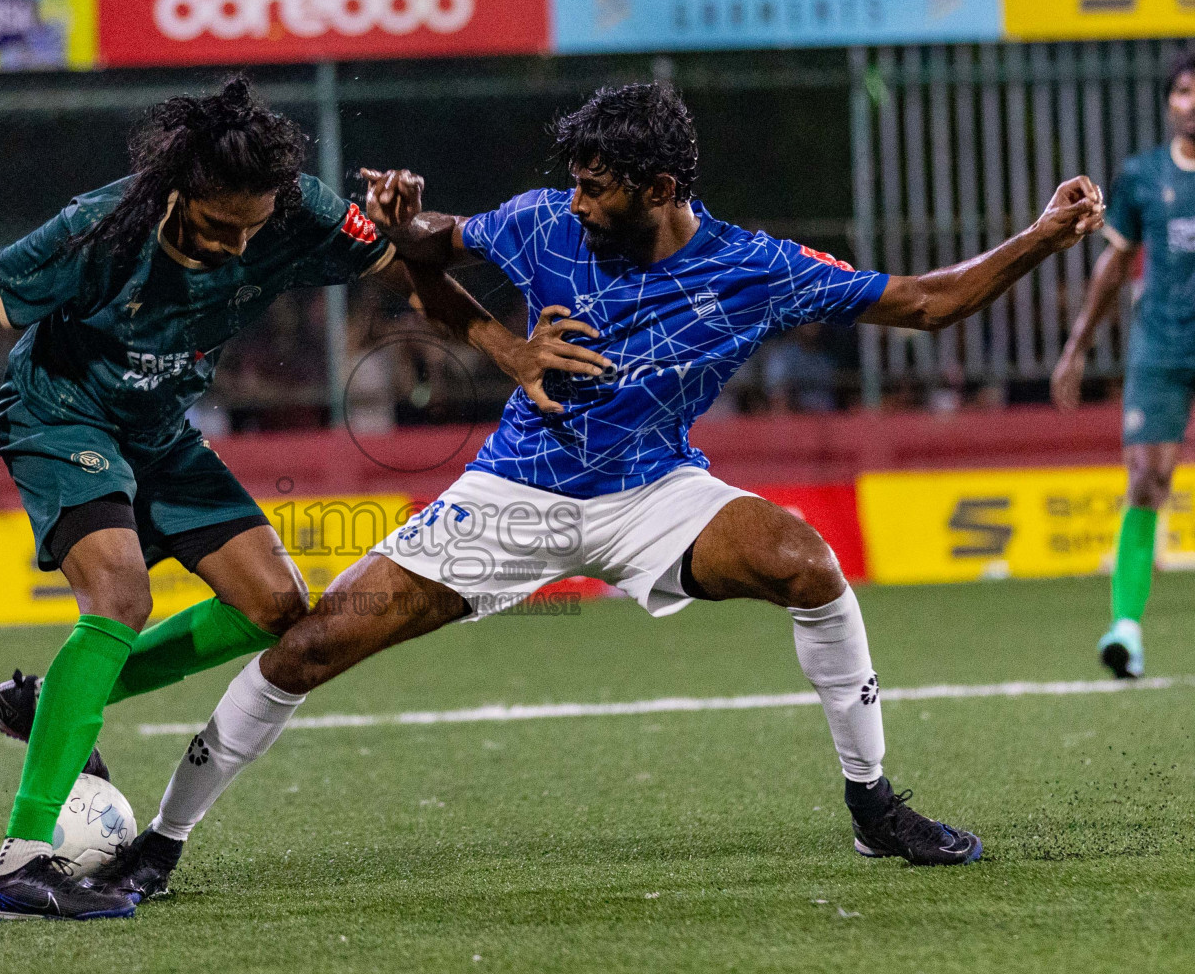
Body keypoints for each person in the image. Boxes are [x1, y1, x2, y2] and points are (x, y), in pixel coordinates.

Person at [78, 81, 1105, 901]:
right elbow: (433, 249)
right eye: (572, 180)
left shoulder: (756, 266)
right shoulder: (542, 223)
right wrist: (400, 219)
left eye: (599, 185)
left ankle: (874, 803)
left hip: (654, 492)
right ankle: (159, 847)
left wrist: (1040, 239)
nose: (576, 200)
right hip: (514, 494)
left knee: (807, 562)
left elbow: (927, 303)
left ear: (660, 186)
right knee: (305, 646)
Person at [0, 77, 579, 921]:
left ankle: (46, 703)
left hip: (160, 428)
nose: (239, 246)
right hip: (63, 412)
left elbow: (407, 278)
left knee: (275, 605)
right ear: (178, 193)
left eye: (252, 226)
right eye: (216, 227)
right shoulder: (109, 222)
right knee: (121, 596)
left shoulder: (299, 211)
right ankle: (19, 865)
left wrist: (510, 351)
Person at [1052, 52, 1195, 681]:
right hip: (1161, 344)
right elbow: (1113, 266)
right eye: (1185, 91)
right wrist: (1077, 346)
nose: (1193, 102)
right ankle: (1126, 630)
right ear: (1170, 101)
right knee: (1146, 478)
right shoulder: (1142, 177)